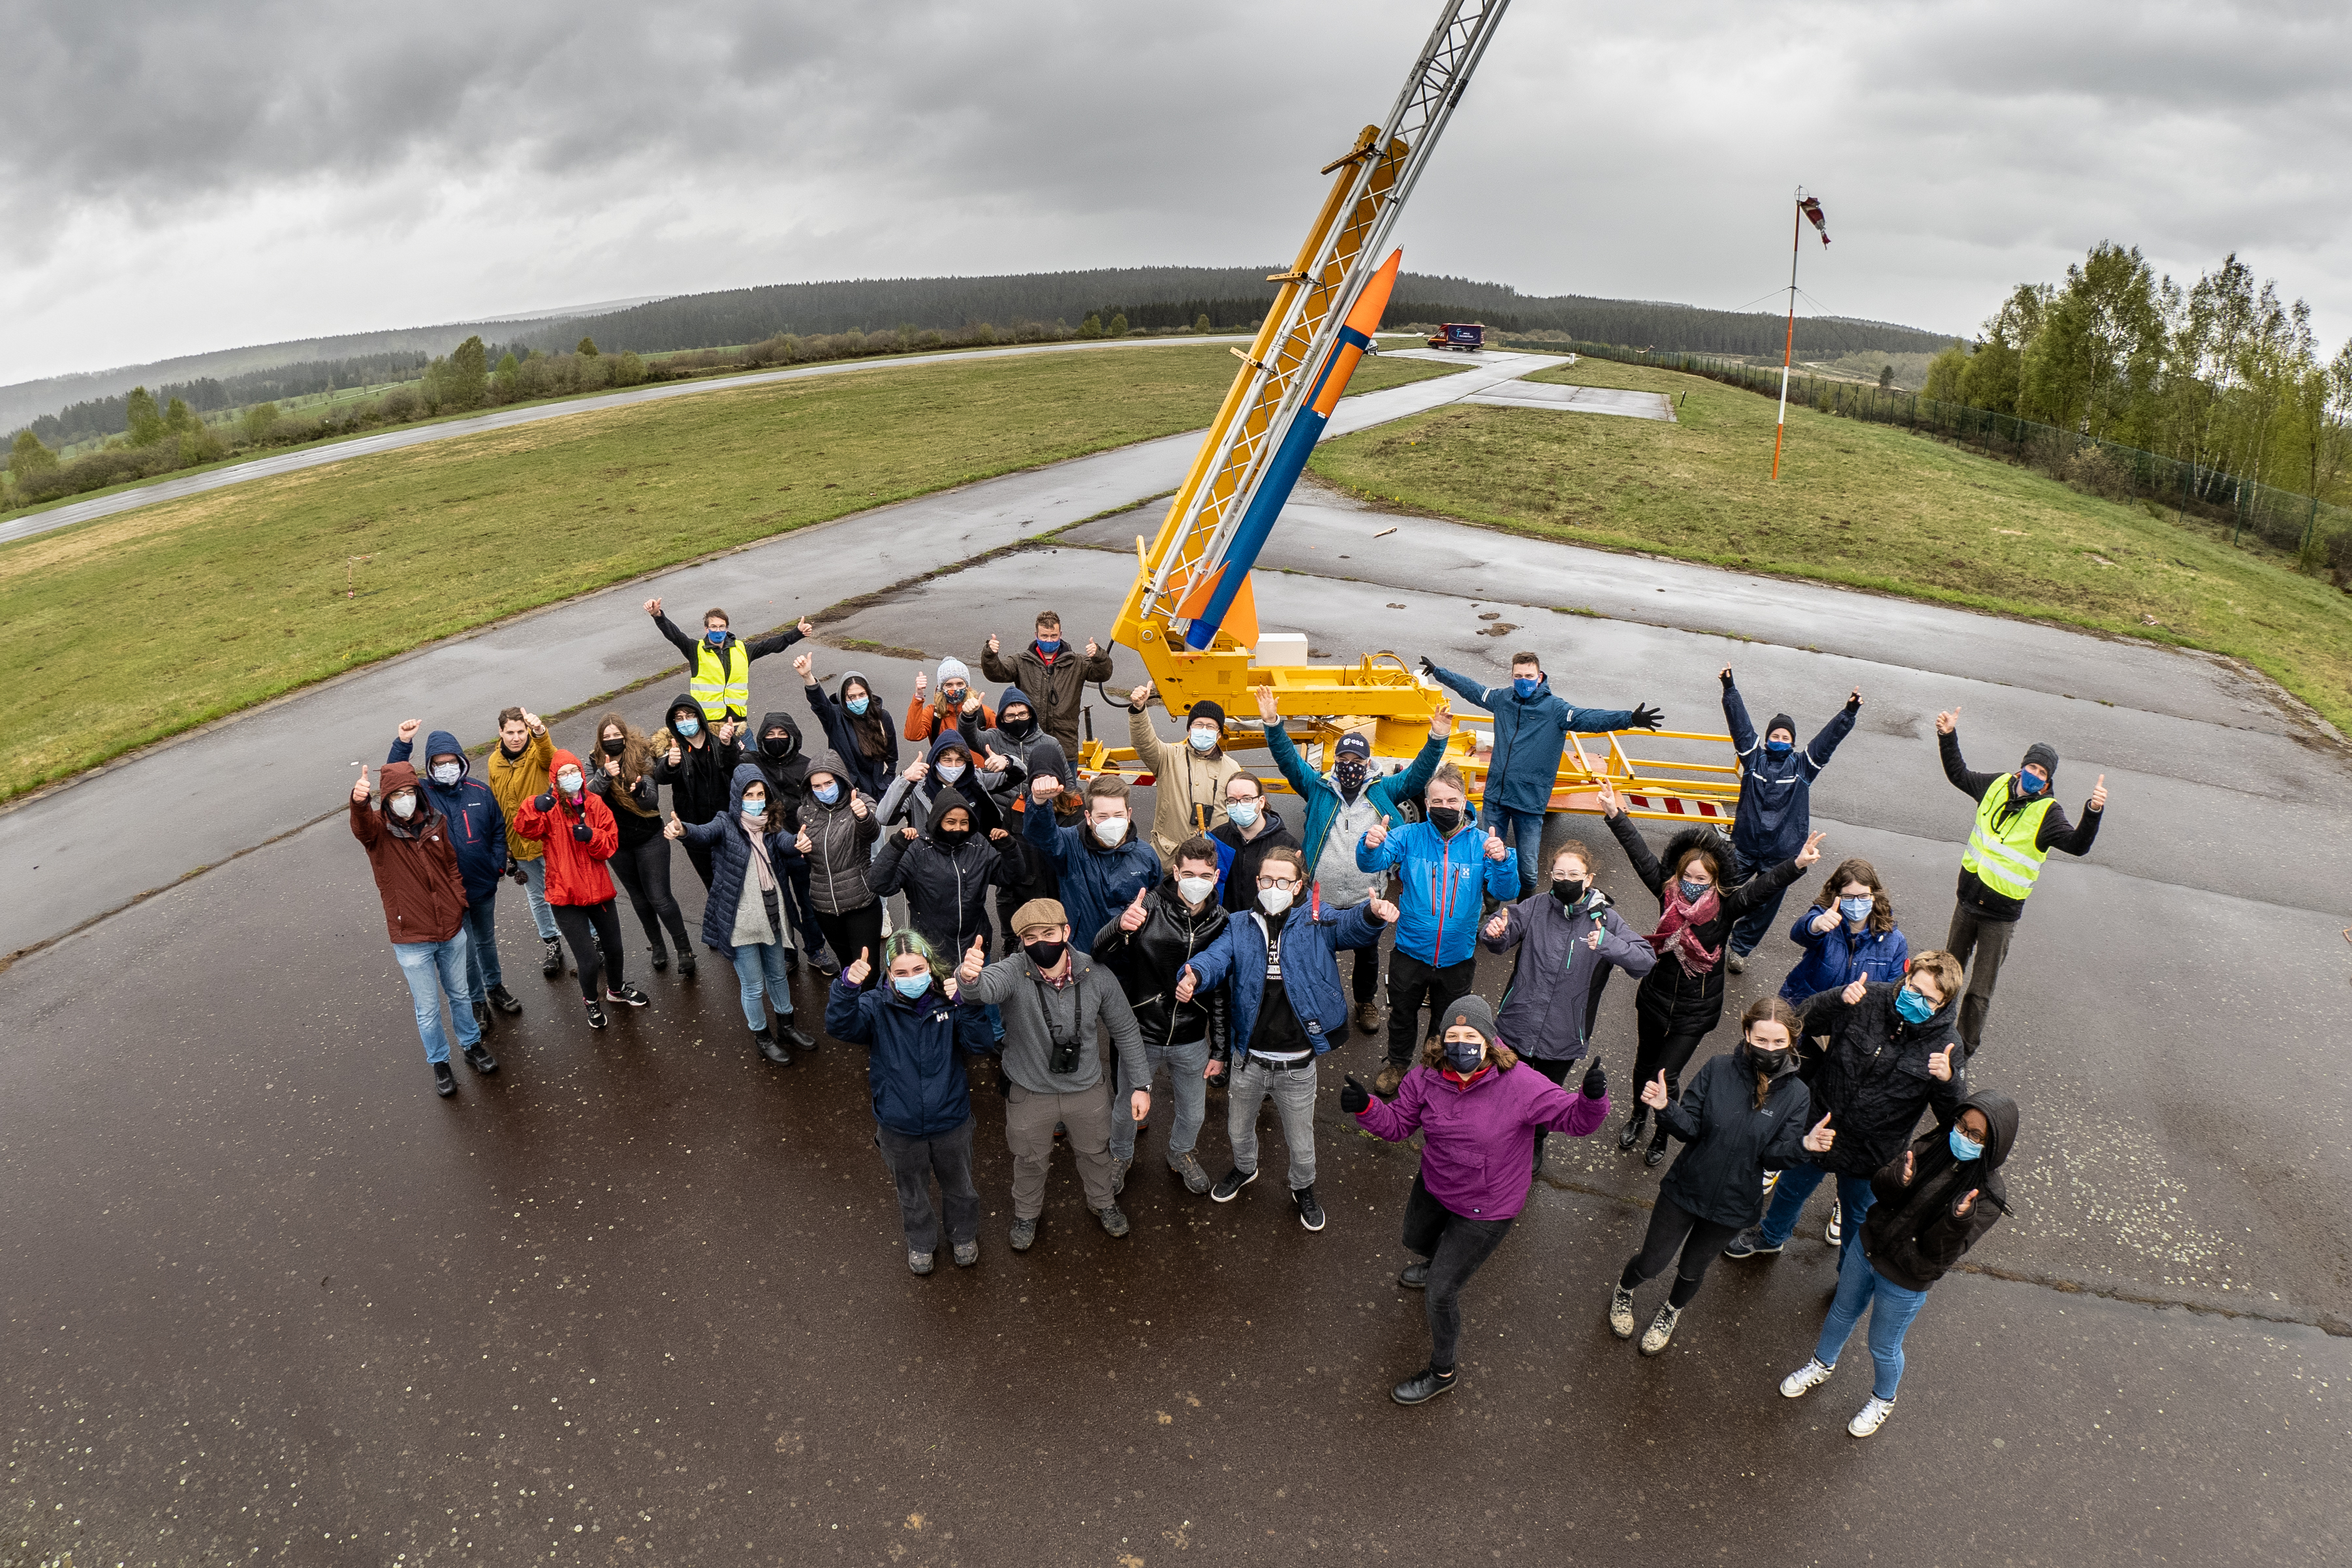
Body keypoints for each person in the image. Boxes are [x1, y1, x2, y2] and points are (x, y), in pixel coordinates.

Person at [1345, 994, 1612, 1404]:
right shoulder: (1424, 1079)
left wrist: (1592, 1100)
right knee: (1414, 1240)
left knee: (1440, 1293)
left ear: (1489, 1041)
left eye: (1471, 1036)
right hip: (1436, 1185)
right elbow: (1399, 1125)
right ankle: (1437, 1259)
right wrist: (1366, 1107)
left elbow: (1575, 1120)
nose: (1462, 1044)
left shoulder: (1522, 1084)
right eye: (1454, 1035)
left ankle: (1442, 1371)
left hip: (1487, 1207)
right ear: (1441, 1041)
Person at [1597, 778, 1821, 1167]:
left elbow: (1764, 887)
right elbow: (1641, 856)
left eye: (1702, 879)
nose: (1694, 885)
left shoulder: (1728, 907)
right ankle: (1637, 1115)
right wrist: (1616, 816)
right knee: (1643, 1064)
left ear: (1715, 881)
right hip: (1654, 998)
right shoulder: (1667, 894)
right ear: (1679, 875)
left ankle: (1664, 1130)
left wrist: (1798, 864)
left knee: (1667, 1073)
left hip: (1696, 1010)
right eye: (1689, 877)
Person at [1174, 845, 1396, 1229]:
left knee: (1302, 1144)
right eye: (1266, 879)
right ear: (1256, 882)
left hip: (1297, 1064)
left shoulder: (1315, 918)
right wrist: (1194, 972)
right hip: (1249, 1061)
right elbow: (1217, 958)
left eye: (1283, 880)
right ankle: (1245, 1170)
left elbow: (1348, 927)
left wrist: (1372, 914)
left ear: (1298, 887)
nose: (1273, 886)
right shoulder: (1240, 923)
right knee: (1238, 1131)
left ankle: (1303, 1187)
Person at [1778, 1090, 2018, 1437]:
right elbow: (1881, 1188)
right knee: (1841, 1312)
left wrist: (1957, 1221)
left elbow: (1941, 1252)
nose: (1963, 1137)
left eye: (1975, 1136)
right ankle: (1820, 1364)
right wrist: (1897, 1180)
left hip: (1906, 1279)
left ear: (1994, 1145)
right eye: (1961, 1126)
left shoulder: (1988, 1195)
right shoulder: (1928, 1147)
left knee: (1883, 1344)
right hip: (1868, 1249)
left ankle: (1882, 1400)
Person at [1608, 997, 1835, 1355]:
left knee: (1691, 1271)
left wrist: (1805, 1144)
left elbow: (1773, 1156)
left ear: (1792, 1041)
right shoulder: (1717, 1069)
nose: (1770, 1049)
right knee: (1652, 1262)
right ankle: (1625, 1290)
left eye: (1779, 1042)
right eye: (1762, 1040)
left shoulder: (1797, 1095)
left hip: (1734, 1205)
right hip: (1685, 1189)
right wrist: (1667, 1109)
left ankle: (1670, 1312)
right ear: (1747, 1034)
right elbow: (1690, 1130)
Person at [1725, 952, 1966, 1259]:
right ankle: (1772, 1235)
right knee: (1790, 1190)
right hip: (1820, 1126)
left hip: (1872, 1151)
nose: (1916, 999)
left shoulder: (1948, 1046)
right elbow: (1800, 1023)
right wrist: (1836, 999)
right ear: (1906, 979)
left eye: (1929, 999)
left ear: (1943, 1004)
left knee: (1858, 1218)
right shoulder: (1867, 998)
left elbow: (1954, 1118)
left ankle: (1848, 1275)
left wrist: (1947, 1080)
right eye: (1914, 989)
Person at [1254, 685, 1454, 1037]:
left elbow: (1419, 775)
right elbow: (1288, 760)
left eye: (1357, 762)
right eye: (1344, 761)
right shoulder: (1317, 787)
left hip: (1366, 895)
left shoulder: (1383, 790)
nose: (1350, 767)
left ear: (1368, 764)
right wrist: (1273, 723)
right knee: (1319, 954)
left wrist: (1437, 737)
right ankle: (1320, 1002)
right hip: (1322, 895)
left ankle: (1364, 1000)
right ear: (1336, 762)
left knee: (1367, 953)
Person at [958, 900, 1150, 1249]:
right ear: (1021, 941)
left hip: (1087, 1090)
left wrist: (1140, 1084)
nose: (1040, 943)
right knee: (1029, 1160)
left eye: (1048, 933)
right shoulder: (1013, 970)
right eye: (1030, 937)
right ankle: (1027, 1214)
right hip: (1030, 1092)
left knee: (1096, 1154)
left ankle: (1103, 1203)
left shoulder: (1097, 975)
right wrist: (968, 978)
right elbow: (984, 990)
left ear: (1066, 932)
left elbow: (1125, 1031)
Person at [1935, 708, 2107, 1054]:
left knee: (1979, 991)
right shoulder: (1997, 785)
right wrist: (1948, 736)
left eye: (2042, 773)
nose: (2035, 775)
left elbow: (2078, 846)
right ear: (2023, 765)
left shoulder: (2048, 813)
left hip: (2000, 915)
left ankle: (1962, 1051)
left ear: (2048, 781)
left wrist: (2092, 812)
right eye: (2032, 767)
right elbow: (1958, 774)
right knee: (1945, 974)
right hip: (1968, 900)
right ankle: (1930, 1030)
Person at [1422, 649, 1661, 898]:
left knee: (1528, 870)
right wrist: (1440, 673)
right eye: (1518, 676)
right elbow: (1472, 689)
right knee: (1488, 859)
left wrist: (1630, 719)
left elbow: (1590, 719)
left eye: (1529, 675)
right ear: (1512, 677)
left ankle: (1526, 912)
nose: (1523, 681)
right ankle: (1488, 909)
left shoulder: (1555, 709)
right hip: (1495, 799)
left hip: (1530, 803)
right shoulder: (1502, 699)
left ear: (1540, 676)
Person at [1479, 838, 1657, 1170]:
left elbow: (1644, 962)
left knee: (1544, 1100)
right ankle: (1497, 1140)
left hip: (1562, 1036)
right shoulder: (1534, 907)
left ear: (1589, 879)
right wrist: (1495, 931)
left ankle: (1534, 1145)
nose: (1565, 880)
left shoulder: (1606, 920)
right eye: (1558, 873)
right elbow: (1500, 937)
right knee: (1502, 1091)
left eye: (1574, 874)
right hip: (1516, 1025)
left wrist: (1607, 943)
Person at [826, 934, 997, 1275]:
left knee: (960, 1187)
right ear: (888, 973)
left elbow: (980, 1044)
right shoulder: (875, 1005)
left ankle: (963, 1235)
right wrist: (846, 988)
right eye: (901, 972)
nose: (911, 977)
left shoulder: (952, 1002)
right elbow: (840, 1027)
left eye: (918, 969)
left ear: (931, 967)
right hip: (899, 1125)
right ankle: (921, 1243)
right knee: (912, 1193)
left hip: (951, 1120)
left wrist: (971, 1002)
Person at [1355, 762, 1520, 1097]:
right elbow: (1371, 864)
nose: (1444, 807)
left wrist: (1503, 861)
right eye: (1436, 801)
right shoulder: (1409, 836)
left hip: (1457, 955)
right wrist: (1370, 845)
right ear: (1426, 804)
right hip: (1410, 950)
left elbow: (1505, 890)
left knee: (1447, 1020)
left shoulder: (1482, 844)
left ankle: (1432, 1069)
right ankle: (1399, 1064)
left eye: (1452, 800)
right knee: (1402, 1014)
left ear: (1464, 802)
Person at [1091, 835, 1231, 1195]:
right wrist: (1119, 926)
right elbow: (1098, 953)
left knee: (1194, 1112)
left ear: (1216, 876)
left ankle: (1181, 1153)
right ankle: (1120, 1155)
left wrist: (1219, 1050)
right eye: (1188, 873)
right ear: (1176, 872)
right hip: (1141, 1033)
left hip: (1191, 1036)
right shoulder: (1147, 906)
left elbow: (1221, 990)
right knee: (1125, 1107)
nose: (1196, 881)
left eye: (1204, 874)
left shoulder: (1223, 921)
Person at [349, 761, 494, 1097]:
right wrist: (358, 803)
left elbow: (451, 864)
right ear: (385, 799)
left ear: (418, 793)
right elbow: (362, 828)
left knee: (460, 995)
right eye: (397, 794)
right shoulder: (378, 832)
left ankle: (472, 1046)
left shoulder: (436, 822)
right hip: (412, 937)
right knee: (428, 1008)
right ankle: (440, 1063)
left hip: (451, 928)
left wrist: (458, 898)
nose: (405, 799)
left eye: (410, 792)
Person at [668, 764, 816, 1064]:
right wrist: (683, 830)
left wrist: (799, 843)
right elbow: (702, 833)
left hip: (772, 916)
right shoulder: (725, 823)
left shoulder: (771, 824)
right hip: (741, 923)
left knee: (777, 976)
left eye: (760, 794)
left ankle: (786, 1027)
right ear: (738, 795)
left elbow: (786, 842)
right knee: (752, 986)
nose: (756, 799)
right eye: (750, 794)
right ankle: (762, 1036)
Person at [1716, 667, 1860, 973]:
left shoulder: (1803, 768)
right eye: (1775, 735)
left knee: (1763, 908)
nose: (1780, 739)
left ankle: (1739, 950)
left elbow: (1827, 741)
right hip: (1744, 846)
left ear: (1793, 742)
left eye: (1786, 737)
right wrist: (1730, 688)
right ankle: (1709, 937)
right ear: (1767, 739)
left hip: (1781, 856)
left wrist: (1848, 712)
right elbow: (1740, 726)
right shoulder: (1753, 758)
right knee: (1721, 891)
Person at [386, 719, 518, 1030]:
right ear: (430, 766)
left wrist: (497, 864)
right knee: (467, 950)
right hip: (448, 893)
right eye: (439, 763)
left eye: (451, 762)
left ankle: (495, 987)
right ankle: (476, 1001)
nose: (446, 767)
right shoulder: (422, 796)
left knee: (486, 941)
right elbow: (394, 783)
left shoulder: (480, 792)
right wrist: (403, 744)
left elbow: (498, 830)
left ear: (461, 761)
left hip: (484, 884)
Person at [512, 747, 648, 1029]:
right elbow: (524, 829)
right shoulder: (549, 809)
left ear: (582, 773)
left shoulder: (596, 803)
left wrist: (592, 836)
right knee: (587, 961)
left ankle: (616, 989)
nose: (570, 777)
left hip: (599, 892)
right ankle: (591, 1002)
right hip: (565, 897)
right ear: (554, 779)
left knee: (615, 949)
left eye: (574, 771)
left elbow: (610, 844)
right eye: (563, 774)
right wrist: (534, 805)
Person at [586, 712, 695, 980]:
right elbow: (588, 799)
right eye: (607, 736)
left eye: (617, 734)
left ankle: (684, 949)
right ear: (600, 740)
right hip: (617, 844)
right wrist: (605, 775)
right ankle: (658, 947)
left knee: (659, 896)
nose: (613, 740)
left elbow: (651, 802)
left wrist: (638, 792)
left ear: (625, 734)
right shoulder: (591, 762)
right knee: (639, 898)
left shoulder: (641, 757)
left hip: (650, 837)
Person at [1020, 772, 1161, 962]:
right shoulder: (1069, 845)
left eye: (1118, 815)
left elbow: (1159, 907)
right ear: (1088, 816)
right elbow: (1040, 833)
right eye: (1102, 816)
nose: (1111, 823)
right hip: (1084, 958)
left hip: (1132, 960)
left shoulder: (1146, 855)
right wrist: (1039, 801)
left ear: (1129, 814)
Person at [873, 787, 1010, 964]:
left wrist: (1009, 848)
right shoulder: (917, 850)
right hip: (932, 950)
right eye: (951, 822)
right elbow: (880, 885)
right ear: (938, 821)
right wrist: (895, 847)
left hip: (975, 947)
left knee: (977, 991)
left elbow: (1010, 878)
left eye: (964, 822)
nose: (957, 828)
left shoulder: (978, 845)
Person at [746, 709, 834, 973]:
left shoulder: (806, 765)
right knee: (780, 904)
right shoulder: (753, 764)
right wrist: (728, 741)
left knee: (809, 903)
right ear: (762, 738)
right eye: (770, 734)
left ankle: (816, 950)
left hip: (800, 847)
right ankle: (788, 952)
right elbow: (729, 762)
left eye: (782, 734)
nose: (776, 739)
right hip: (768, 849)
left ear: (793, 736)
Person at [642, 596, 812, 726]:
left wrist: (796, 633)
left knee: (749, 763)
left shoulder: (743, 649)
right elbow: (675, 635)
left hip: (739, 722)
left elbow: (771, 645)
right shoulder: (695, 649)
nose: (718, 630)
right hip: (709, 723)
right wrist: (658, 615)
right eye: (714, 627)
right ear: (706, 629)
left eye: (721, 627)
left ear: (727, 628)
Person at [486, 706, 565, 980]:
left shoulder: (537, 752)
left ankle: (592, 939)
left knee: (567, 889)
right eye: (511, 732)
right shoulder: (494, 761)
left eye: (521, 731)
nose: (517, 737)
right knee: (537, 897)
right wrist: (504, 843)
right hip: (519, 842)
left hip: (548, 838)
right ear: (501, 732)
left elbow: (550, 756)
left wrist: (541, 732)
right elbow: (498, 805)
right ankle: (552, 944)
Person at [794, 751, 885, 990]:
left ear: (841, 780)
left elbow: (872, 833)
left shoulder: (861, 802)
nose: (824, 790)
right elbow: (813, 859)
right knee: (848, 970)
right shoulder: (805, 813)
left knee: (868, 972)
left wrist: (864, 817)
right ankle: (855, 1018)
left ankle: (874, 1019)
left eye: (829, 783)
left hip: (861, 903)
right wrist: (802, 849)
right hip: (824, 905)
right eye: (817, 786)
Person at [1123, 684, 1240, 861]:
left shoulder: (1233, 769)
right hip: (1169, 858)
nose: (1204, 730)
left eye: (1210, 726)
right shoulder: (1168, 757)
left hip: (1211, 861)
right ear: (1189, 729)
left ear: (1219, 735)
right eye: (1199, 724)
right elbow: (1144, 743)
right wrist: (1139, 709)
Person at [980, 612, 1116, 759]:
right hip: (1029, 746)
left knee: (1067, 782)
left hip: (1065, 746)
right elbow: (997, 673)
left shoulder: (1077, 662)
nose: (1049, 641)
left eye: (1054, 636)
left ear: (1060, 634)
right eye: (1044, 636)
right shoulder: (1021, 661)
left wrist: (1099, 657)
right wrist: (990, 655)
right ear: (1036, 635)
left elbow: (1103, 674)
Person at [1778, 858, 1908, 1005]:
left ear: (1874, 896)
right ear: (1837, 896)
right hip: (1808, 1008)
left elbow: (1894, 993)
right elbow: (1799, 933)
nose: (1856, 903)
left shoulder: (1895, 941)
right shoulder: (1826, 920)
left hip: (1855, 1021)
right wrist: (1816, 924)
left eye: (1864, 896)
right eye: (1848, 897)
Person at [651, 691, 744, 890]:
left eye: (689, 716)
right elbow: (661, 777)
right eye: (679, 718)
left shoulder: (719, 741)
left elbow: (737, 768)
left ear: (699, 717)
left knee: (740, 878)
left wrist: (728, 745)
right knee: (713, 885)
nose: (685, 722)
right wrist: (670, 764)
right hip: (694, 829)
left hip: (728, 824)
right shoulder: (674, 749)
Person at [794, 651, 900, 801]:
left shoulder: (882, 717)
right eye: (851, 697)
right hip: (848, 792)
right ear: (843, 698)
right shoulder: (834, 717)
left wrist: (886, 782)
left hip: (877, 792)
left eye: (862, 695)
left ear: (869, 695)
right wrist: (808, 677)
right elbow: (819, 703)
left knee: (877, 824)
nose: (857, 700)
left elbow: (892, 756)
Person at [1208, 770, 1296, 913]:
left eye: (1246, 799)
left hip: (1267, 926)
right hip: (1224, 925)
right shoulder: (1217, 839)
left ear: (1261, 802)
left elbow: (1301, 893)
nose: (1239, 805)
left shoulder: (1286, 844)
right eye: (1232, 800)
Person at [904, 657, 996, 746]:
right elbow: (912, 735)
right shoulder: (933, 714)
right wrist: (919, 696)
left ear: (967, 686)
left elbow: (1002, 739)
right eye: (949, 685)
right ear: (941, 688)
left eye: (960, 684)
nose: (955, 689)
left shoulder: (983, 713)